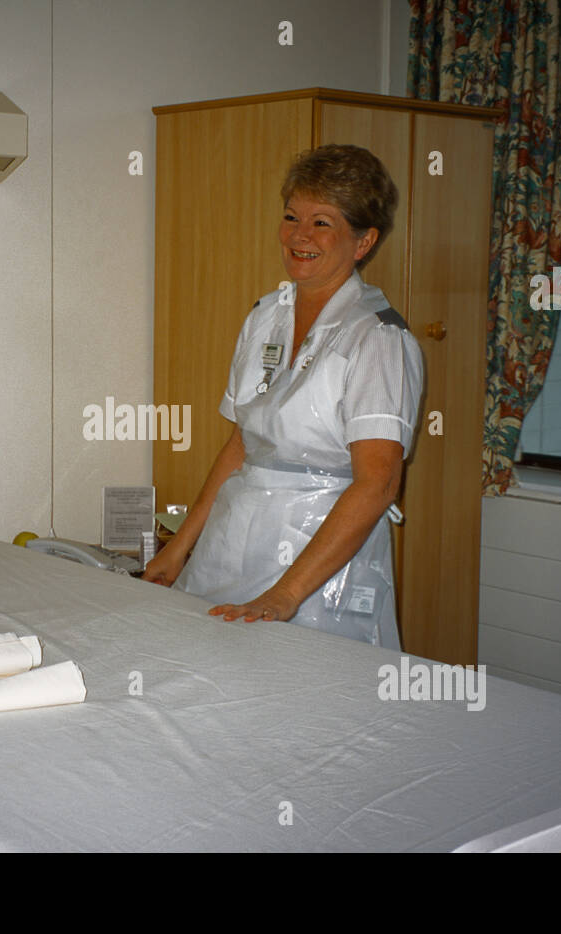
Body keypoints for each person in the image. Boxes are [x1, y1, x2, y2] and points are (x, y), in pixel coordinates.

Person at [143, 145, 423, 649]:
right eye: (292, 216)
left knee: (306, 705)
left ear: (364, 242)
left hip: (319, 567)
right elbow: (242, 443)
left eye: (322, 223)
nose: (299, 236)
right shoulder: (265, 316)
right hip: (235, 539)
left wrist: (286, 595)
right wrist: (180, 548)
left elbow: (377, 485)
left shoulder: (378, 340)